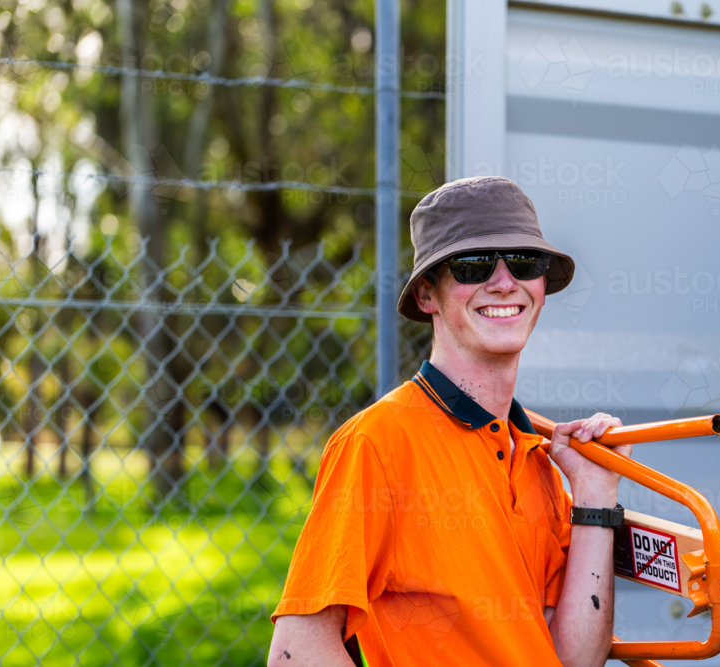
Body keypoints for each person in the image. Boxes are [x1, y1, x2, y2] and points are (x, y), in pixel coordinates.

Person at [267, 176, 631, 667]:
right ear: (426, 295)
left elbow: (575, 659)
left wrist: (593, 497)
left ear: (541, 286)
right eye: (474, 264)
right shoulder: (378, 443)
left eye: (523, 262)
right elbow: (297, 652)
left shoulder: (537, 459)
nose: (504, 282)